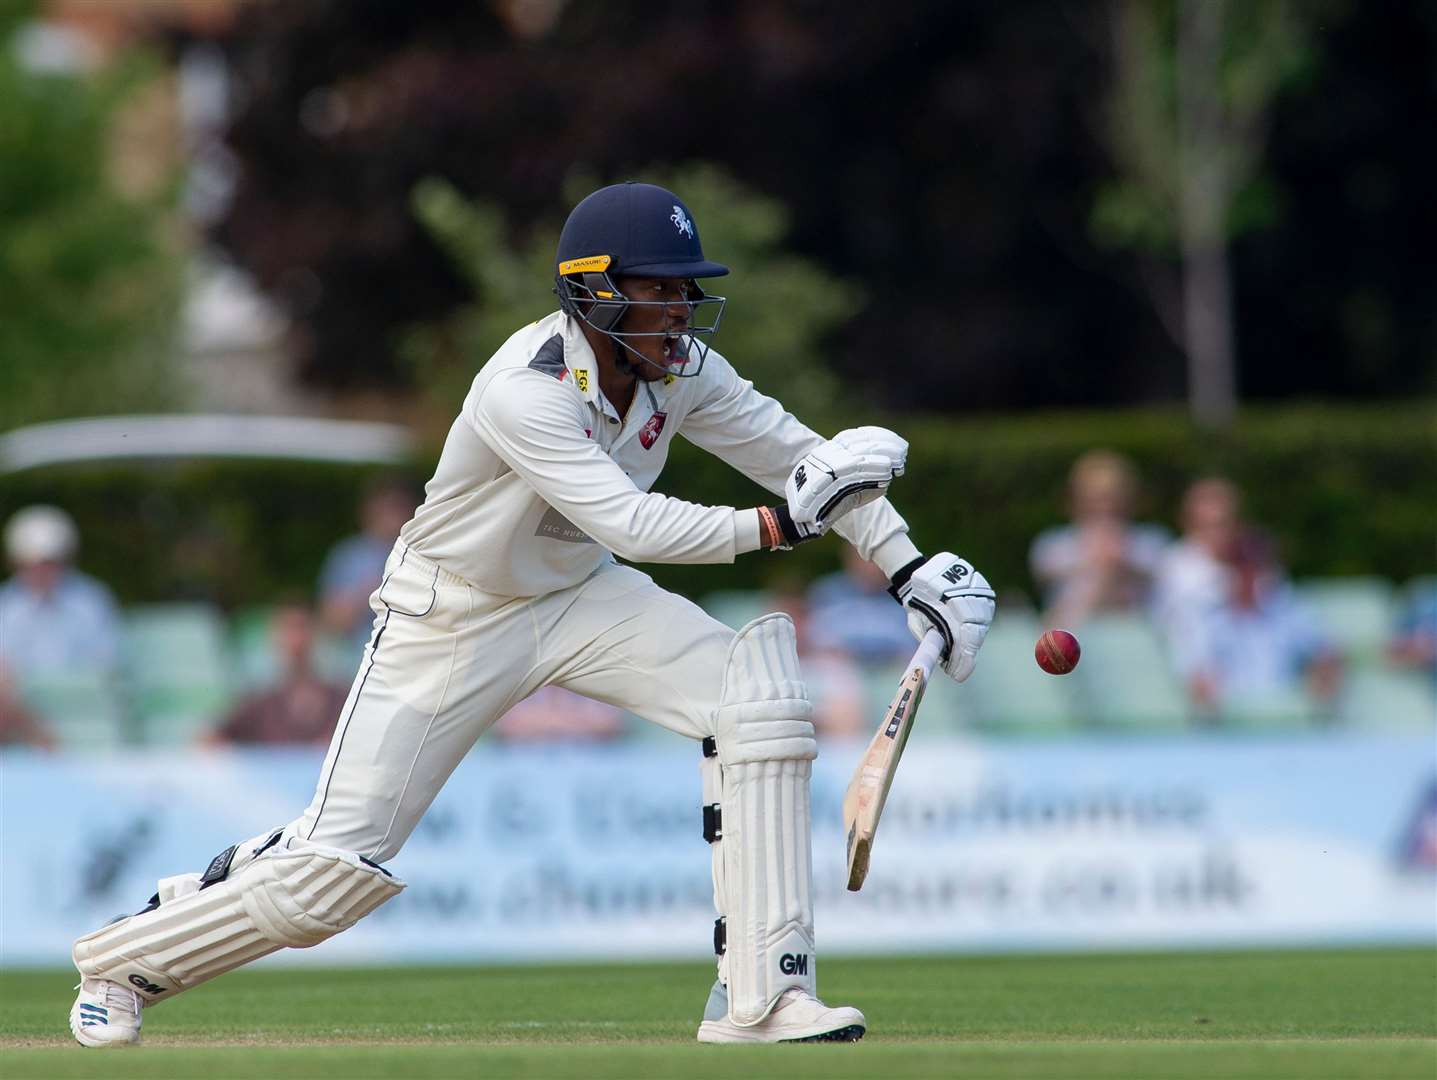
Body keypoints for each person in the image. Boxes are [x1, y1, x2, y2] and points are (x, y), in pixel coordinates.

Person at [68, 181, 995, 1047]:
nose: (679, 310)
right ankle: (120, 964)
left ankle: (761, 995)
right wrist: (782, 525)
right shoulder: (525, 388)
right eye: (657, 290)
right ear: (593, 294)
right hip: (453, 614)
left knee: (756, 698)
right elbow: (637, 522)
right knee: (326, 880)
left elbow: (801, 457)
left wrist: (908, 563)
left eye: (686, 290)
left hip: (577, 594)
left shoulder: (683, 366)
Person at [1153, 478, 1340, 716]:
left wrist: (1319, 690)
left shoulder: (1269, 581)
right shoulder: (1176, 574)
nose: (1218, 534)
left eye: (1224, 524)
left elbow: (1322, 647)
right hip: (1226, 718)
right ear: (1188, 524)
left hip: (1284, 716)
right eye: (1208, 526)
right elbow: (1193, 667)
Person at [1028, 449, 1170, 628]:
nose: (1105, 506)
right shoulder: (1054, 544)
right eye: (1096, 498)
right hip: (1072, 644)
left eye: (1113, 497)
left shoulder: (1151, 541)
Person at [0, 505, 121, 683]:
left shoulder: (92, 599)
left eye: (49, 563)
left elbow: (108, 663)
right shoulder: (6, 604)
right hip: (20, 704)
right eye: (31, 564)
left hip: (82, 699)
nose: (41, 571)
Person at [202, 602, 350, 747]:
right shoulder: (259, 703)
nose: (297, 640)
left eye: (302, 628)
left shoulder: (344, 699)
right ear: (275, 639)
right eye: (289, 631)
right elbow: (208, 739)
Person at [317, 477, 419, 663]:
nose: (393, 516)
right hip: (353, 657)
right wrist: (375, 589)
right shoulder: (348, 555)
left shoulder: (420, 556)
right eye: (387, 507)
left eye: (400, 507)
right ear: (369, 511)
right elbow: (333, 621)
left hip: (407, 654)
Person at [805, 545, 916, 666]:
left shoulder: (905, 596)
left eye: (875, 559)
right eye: (863, 558)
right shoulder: (828, 593)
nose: (870, 566)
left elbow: (910, 645)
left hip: (891, 673)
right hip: (841, 673)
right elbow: (815, 640)